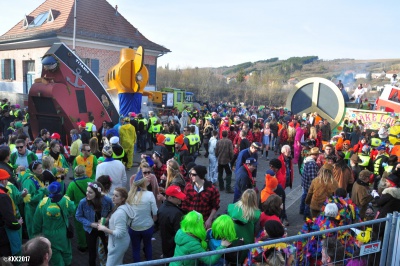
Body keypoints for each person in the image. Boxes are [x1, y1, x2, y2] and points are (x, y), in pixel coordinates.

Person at [33, 182, 75, 266]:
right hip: (62, 233)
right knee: (66, 251)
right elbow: (73, 210)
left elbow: (36, 222)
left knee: (54, 255)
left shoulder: (43, 203)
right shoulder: (65, 201)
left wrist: (36, 235)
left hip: (48, 234)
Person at [75, 182, 113, 266]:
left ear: (97, 193)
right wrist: (91, 224)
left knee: (108, 250)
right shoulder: (83, 202)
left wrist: (107, 219)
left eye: (90, 192)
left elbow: (113, 210)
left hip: (104, 229)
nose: (87, 194)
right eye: (87, 191)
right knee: (92, 254)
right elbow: (78, 216)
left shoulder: (107, 200)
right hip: (90, 230)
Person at [126, 171, 158, 262]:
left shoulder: (130, 195)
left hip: (133, 227)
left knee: (135, 249)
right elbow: (155, 212)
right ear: (143, 184)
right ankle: (149, 262)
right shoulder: (149, 195)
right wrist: (153, 221)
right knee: (148, 246)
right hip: (147, 226)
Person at [97, 187, 133, 266]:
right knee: (118, 263)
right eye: (113, 194)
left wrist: (104, 229)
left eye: (116, 196)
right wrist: (107, 220)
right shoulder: (123, 206)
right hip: (121, 242)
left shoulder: (120, 213)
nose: (113, 197)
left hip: (117, 245)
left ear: (123, 198)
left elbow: (120, 233)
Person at [227, 189, 261, 264]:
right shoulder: (257, 214)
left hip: (232, 239)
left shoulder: (232, 208)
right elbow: (257, 231)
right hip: (247, 242)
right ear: (254, 199)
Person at [66, 165, 92, 253]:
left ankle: (82, 245)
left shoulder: (72, 184)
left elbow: (68, 198)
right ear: (84, 171)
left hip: (78, 210)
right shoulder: (91, 181)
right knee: (90, 225)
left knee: (80, 228)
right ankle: (90, 242)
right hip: (90, 208)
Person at [20, 161, 49, 239]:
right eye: (39, 168)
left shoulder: (35, 177)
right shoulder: (29, 181)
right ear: (33, 170)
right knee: (34, 232)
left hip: (37, 208)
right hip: (32, 210)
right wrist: (43, 190)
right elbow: (31, 199)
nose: (41, 170)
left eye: (41, 168)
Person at [157, 185, 186, 259]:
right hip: (174, 247)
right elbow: (179, 233)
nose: (181, 198)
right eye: (178, 197)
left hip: (166, 244)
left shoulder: (162, 208)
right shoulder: (176, 213)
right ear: (170, 198)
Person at [0, 169, 23, 257]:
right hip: (4, 234)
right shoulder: (3, 197)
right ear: (4, 180)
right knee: (9, 259)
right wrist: (17, 224)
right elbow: (10, 220)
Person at [300, 147, 320, 218]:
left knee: (304, 197)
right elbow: (312, 178)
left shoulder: (307, 160)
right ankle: (306, 215)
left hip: (305, 183)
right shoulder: (312, 164)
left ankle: (301, 209)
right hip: (309, 185)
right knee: (308, 201)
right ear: (315, 155)